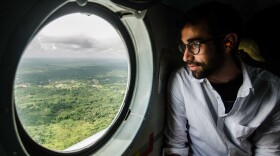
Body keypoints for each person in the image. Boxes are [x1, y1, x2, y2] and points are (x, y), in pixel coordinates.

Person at [163, 1, 280, 156]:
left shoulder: (271, 88)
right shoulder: (182, 82)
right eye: (185, 46)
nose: (185, 57)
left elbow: (268, 150)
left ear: (228, 43)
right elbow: (176, 145)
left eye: (194, 45)